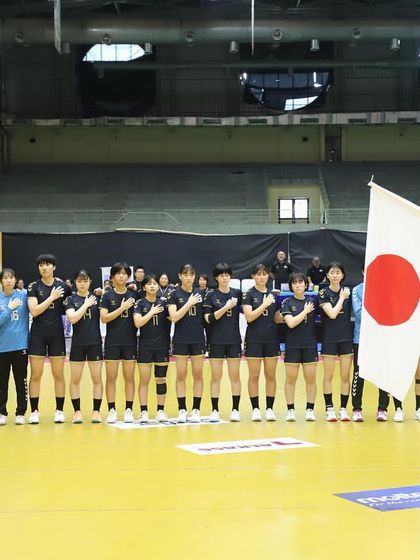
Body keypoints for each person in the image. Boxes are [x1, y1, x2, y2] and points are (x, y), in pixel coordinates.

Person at [27, 254, 72, 424]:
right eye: (41, 265)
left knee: (58, 374)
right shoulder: (33, 286)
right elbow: (34, 311)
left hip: (57, 335)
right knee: (36, 374)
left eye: (47, 265)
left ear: (54, 267)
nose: (44, 268)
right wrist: (51, 298)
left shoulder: (63, 287)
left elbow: (73, 301)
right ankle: (34, 411)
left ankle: (59, 410)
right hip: (38, 334)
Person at [242, 264, 282, 422]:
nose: (261, 277)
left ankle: (270, 409)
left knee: (271, 375)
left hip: (271, 338)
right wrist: (264, 304)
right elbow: (249, 317)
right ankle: (256, 409)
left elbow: (277, 318)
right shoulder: (248, 294)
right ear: (253, 276)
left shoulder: (273, 295)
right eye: (258, 274)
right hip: (254, 339)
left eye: (264, 274)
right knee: (254, 375)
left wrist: (285, 308)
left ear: (268, 276)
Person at [204, 262, 242, 422]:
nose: (225, 278)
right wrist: (225, 307)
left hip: (233, 340)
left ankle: (235, 409)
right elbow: (208, 318)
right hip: (216, 340)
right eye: (221, 275)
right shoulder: (211, 295)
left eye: (227, 275)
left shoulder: (237, 293)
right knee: (216, 376)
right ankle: (214, 410)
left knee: (235, 376)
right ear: (216, 278)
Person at [99, 262, 137, 424]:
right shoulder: (107, 295)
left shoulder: (134, 295)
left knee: (129, 377)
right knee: (111, 378)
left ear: (128, 276)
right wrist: (122, 308)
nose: (121, 276)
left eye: (124, 273)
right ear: (112, 277)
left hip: (130, 342)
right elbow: (104, 318)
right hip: (112, 342)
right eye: (118, 273)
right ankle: (112, 410)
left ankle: (128, 409)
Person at [64, 269, 103, 424]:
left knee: (97, 379)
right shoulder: (70, 299)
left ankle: (96, 411)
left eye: (85, 280)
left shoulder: (97, 299)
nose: (82, 283)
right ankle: (77, 412)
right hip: (78, 344)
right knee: (75, 379)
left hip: (95, 343)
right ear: (75, 282)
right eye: (79, 281)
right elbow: (72, 318)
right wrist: (86, 304)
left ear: (90, 282)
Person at [167, 264, 205, 423]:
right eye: (186, 274)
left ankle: (196, 409)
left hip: (198, 339)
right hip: (181, 339)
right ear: (180, 276)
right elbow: (174, 317)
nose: (189, 277)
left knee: (198, 375)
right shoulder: (174, 294)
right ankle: (182, 409)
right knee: (181, 375)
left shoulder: (201, 293)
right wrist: (189, 303)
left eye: (191, 274)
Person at [134, 274, 171, 423]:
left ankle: (160, 410)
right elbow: (138, 323)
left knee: (161, 379)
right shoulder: (139, 303)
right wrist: (151, 312)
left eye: (154, 283)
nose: (152, 286)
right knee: (144, 380)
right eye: (148, 284)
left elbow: (173, 317)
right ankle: (143, 411)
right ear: (144, 287)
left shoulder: (165, 303)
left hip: (162, 346)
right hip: (145, 346)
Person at [318, 262, 353, 422]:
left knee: (345, 376)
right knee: (329, 375)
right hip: (329, 339)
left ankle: (344, 409)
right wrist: (342, 298)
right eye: (332, 272)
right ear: (327, 275)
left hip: (346, 338)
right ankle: (329, 408)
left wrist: (345, 296)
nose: (335, 275)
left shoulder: (348, 291)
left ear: (343, 275)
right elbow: (332, 314)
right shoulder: (323, 293)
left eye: (338, 272)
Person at [281, 273, 318, 422]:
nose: (298, 285)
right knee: (290, 379)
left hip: (309, 345)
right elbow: (291, 323)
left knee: (311, 379)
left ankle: (310, 409)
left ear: (305, 284)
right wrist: (305, 311)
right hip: (293, 346)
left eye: (300, 282)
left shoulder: (312, 301)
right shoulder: (287, 302)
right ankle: (290, 410)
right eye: (294, 283)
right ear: (291, 286)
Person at [0, 268, 29, 425]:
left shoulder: (23, 295)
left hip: (19, 347)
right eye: (5, 278)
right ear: (1, 281)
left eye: (11, 277)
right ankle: (2, 412)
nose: (9, 280)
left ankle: (21, 413)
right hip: (2, 348)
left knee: (20, 380)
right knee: (2, 382)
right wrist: (9, 308)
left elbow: (38, 295)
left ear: (15, 279)